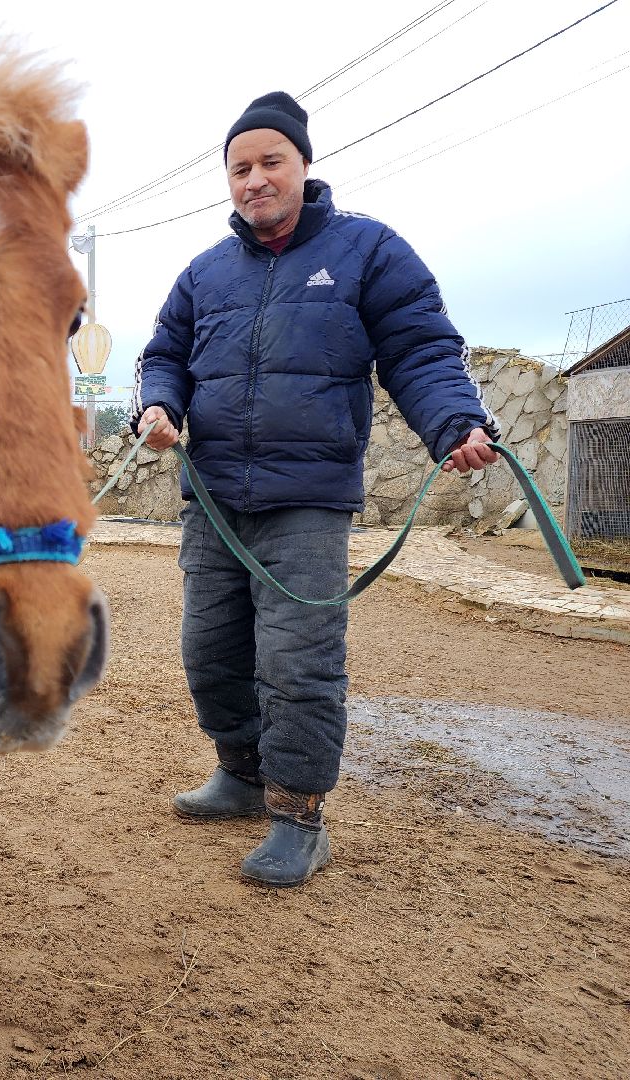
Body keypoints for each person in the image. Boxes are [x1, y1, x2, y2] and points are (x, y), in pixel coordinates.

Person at [133, 91, 499, 887]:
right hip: (217, 500)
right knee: (211, 651)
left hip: (307, 500)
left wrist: (456, 424)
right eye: (240, 168)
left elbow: (423, 351)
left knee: (298, 665)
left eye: (270, 162)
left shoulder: (369, 251)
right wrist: (159, 404)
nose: (254, 179)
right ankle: (238, 772)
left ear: (303, 165)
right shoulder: (204, 273)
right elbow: (162, 354)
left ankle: (299, 815)